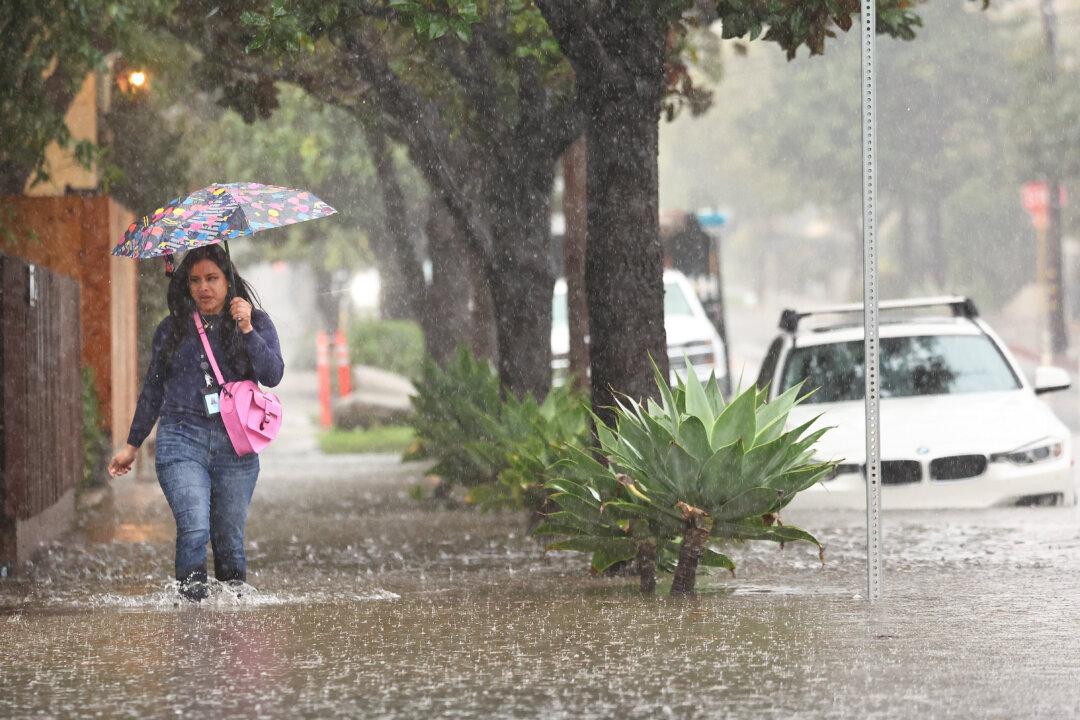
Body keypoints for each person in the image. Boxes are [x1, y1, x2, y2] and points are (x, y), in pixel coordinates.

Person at [108, 245, 284, 602]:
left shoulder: (254, 321)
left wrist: (247, 329)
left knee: (229, 538)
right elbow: (153, 390)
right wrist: (132, 444)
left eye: (212, 278)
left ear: (228, 279)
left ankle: (232, 621)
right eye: (195, 280)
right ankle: (192, 615)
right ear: (186, 285)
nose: (204, 287)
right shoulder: (172, 330)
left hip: (236, 445)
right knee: (194, 528)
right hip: (180, 440)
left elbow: (273, 374)